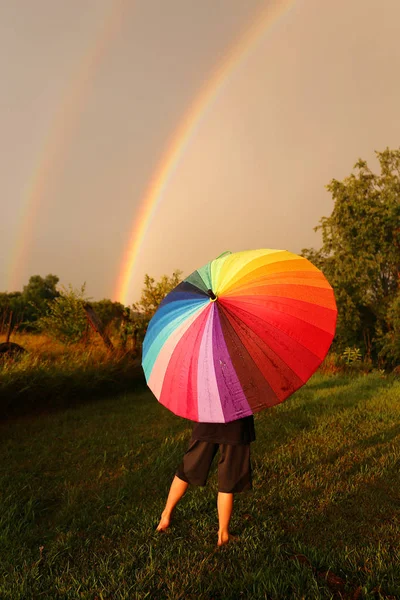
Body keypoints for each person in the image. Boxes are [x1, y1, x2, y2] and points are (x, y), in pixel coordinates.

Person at [156, 414, 255, 546]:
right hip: (236, 424)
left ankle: (165, 516)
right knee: (228, 478)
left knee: (188, 468)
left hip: (207, 420)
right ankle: (223, 534)